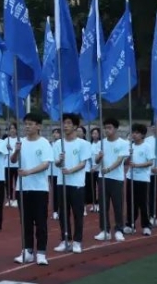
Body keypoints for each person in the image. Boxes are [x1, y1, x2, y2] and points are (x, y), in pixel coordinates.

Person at [13, 112, 53, 266]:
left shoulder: (44, 143)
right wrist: (16, 151)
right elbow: (13, 160)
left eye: (30, 124)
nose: (27, 127)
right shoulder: (21, 142)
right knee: (26, 222)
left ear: (38, 126)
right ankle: (27, 251)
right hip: (22, 188)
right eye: (26, 124)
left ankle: (41, 252)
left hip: (39, 189)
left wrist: (28, 172)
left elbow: (45, 164)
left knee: (40, 222)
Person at [53, 113, 88, 253]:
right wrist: (60, 161)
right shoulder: (58, 143)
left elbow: (83, 163)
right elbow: (56, 163)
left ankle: (77, 241)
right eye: (64, 123)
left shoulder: (83, 144)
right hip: (62, 183)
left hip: (77, 183)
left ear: (75, 126)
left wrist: (70, 171)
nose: (65, 126)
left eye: (68, 123)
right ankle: (65, 239)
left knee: (77, 213)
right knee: (63, 213)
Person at [94, 117, 129, 242]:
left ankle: (119, 230)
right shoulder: (101, 143)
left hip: (116, 178)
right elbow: (96, 161)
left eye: (109, 128)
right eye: (105, 128)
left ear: (116, 129)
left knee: (117, 205)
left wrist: (108, 169)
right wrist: (99, 157)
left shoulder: (123, 143)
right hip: (102, 178)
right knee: (103, 205)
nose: (107, 130)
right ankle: (105, 230)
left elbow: (120, 160)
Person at [126, 123, 154, 235]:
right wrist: (128, 156)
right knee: (130, 202)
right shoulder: (130, 146)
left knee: (143, 203)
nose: (134, 134)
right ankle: (130, 224)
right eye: (133, 132)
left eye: (137, 133)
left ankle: (146, 225)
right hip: (130, 177)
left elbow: (150, 162)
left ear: (142, 135)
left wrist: (137, 165)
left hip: (142, 179)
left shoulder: (147, 146)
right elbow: (125, 162)